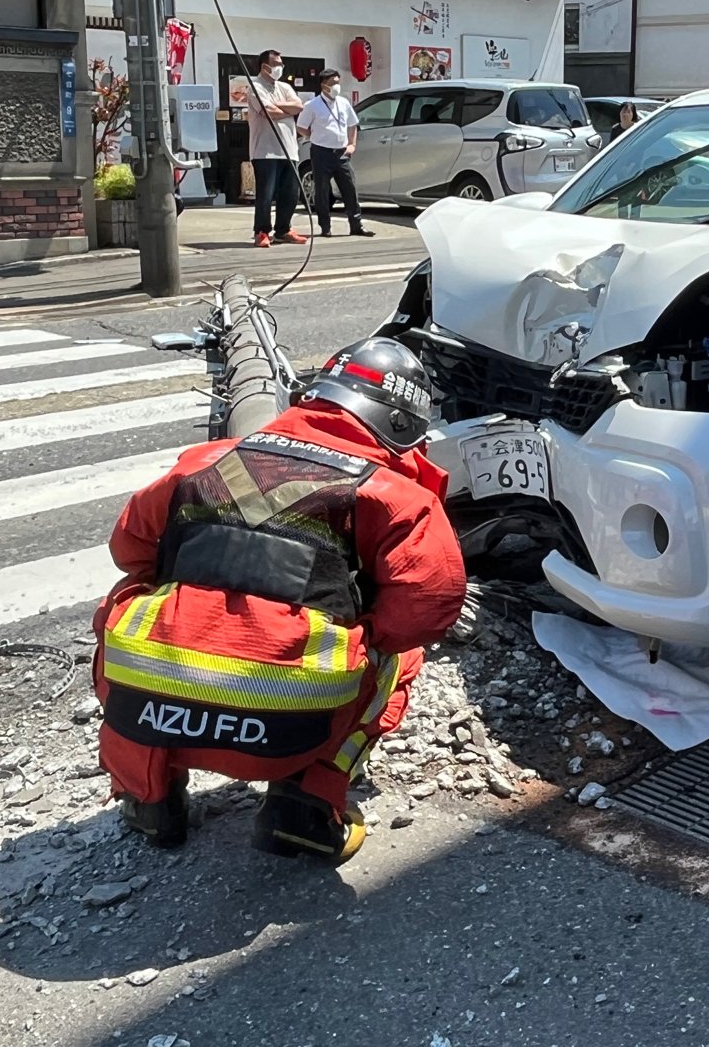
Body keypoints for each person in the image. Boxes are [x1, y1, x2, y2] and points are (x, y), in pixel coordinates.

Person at [92, 337, 467, 860]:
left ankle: (147, 800)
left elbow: (130, 547)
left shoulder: (203, 463)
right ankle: (305, 806)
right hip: (291, 721)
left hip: (154, 708)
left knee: (138, 606)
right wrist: (355, 630)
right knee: (396, 656)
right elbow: (428, 607)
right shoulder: (394, 495)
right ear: (403, 426)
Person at [297, 66, 373, 237]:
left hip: (341, 152)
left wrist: (352, 144)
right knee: (322, 190)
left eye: (338, 82)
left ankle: (356, 224)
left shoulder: (344, 102)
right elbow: (301, 127)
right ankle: (325, 226)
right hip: (321, 152)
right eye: (333, 83)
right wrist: (314, 136)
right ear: (324, 85)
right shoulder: (312, 105)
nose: (336, 86)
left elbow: (353, 124)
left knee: (349, 188)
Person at [244, 50, 306, 248]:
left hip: (289, 148)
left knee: (290, 193)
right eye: (277, 63)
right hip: (265, 150)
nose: (281, 67)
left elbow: (299, 106)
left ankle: (283, 229)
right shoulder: (255, 86)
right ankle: (261, 231)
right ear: (265, 66)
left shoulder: (285, 87)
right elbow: (268, 111)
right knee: (266, 194)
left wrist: (280, 107)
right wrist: (286, 111)